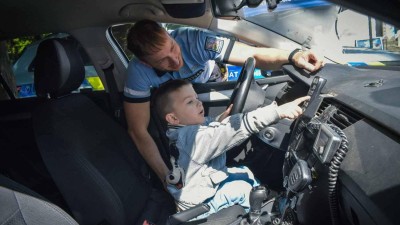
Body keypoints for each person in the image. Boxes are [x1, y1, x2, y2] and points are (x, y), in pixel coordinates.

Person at [123, 19, 324, 185]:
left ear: (169, 35)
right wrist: (167, 177)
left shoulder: (195, 40)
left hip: (211, 79)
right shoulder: (138, 73)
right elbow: (138, 130)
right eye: (162, 61)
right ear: (145, 63)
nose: (176, 61)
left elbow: (251, 54)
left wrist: (294, 56)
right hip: (182, 100)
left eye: (173, 48)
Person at [152, 79, 309, 216]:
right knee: (240, 189)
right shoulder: (192, 139)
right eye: (190, 102)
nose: (198, 102)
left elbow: (208, 126)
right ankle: (261, 215)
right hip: (200, 205)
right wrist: (276, 112)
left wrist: (221, 119)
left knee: (244, 171)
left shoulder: (182, 131)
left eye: (197, 98)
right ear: (173, 118)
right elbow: (225, 133)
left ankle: (263, 195)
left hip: (197, 188)